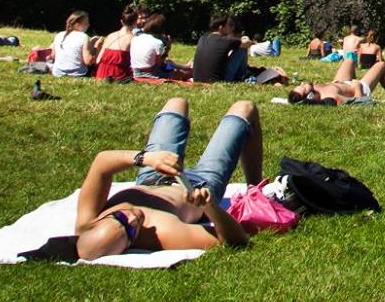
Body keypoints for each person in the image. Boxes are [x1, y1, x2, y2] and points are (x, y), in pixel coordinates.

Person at [71, 96, 264, 258]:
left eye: (120, 218)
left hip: (152, 173)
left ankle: (254, 189)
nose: (132, 220)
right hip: (198, 184)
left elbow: (101, 162)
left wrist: (145, 159)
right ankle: (255, 189)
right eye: (130, 232)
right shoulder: (163, 233)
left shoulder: (87, 220)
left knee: (176, 103)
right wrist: (210, 207)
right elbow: (235, 241)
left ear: (98, 222)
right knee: (245, 108)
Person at [287, 57, 385, 105]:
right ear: (309, 96)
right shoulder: (331, 97)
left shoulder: (313, 90)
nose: (303, 83)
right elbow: (360, 102)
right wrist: (357, 87)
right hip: (357, 88)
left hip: (339, 82)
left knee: (348, 61)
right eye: (303, 87)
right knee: (381, 65)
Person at [131, 14, 189, 81]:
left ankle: (185, 66)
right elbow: (159, 64)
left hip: (135, 73)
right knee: (180, 73)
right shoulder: (157, 43)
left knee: (169, 64)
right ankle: (188, 69)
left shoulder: (135, 38)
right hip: (151, 74)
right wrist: (167, 49)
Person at [94, 4, 141, 83]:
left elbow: (97, 61)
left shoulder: (110, 36)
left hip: (101, 75)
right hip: (118, 76)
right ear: (136, 22)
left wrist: (97, 48)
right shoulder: (134, 39)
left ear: (121, 21)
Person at [51, 11, 98, 78]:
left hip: (57, 73)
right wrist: (96, 46)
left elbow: (53, 56)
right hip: (77, 74)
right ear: (77, 25)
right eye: (86, 23)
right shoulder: (83, 36)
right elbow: (88, 62)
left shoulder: (59, 35)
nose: (88, 25)